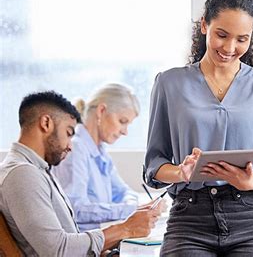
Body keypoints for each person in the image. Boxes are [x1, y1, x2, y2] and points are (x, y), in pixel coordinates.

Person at [144, 0, 253, 256]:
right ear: (204, 25)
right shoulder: (169, 83)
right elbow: (154, 163)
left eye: (242, 39)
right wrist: (180, 172)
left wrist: (249, 182)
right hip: (190, 214)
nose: (230, 48)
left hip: (249, 214)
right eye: (222, 35)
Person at [0, 91, 162, 256]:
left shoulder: (37, 170)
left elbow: (68, 238)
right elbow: (58, 250)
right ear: (46, 123)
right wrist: (125, 229)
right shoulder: (23, 174)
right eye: (69, 133)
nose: (71, 146)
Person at [53, 83, 160, 231]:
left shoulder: (100, 151)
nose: (125, 132)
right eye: (122, 122)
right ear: (101, 111)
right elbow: (75, 209)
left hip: (101, 236)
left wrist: (133, 206)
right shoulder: (75, 148)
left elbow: (123, 191)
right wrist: (131, 210)